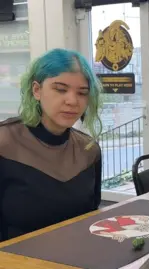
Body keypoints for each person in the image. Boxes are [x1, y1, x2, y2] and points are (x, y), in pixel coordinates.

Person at [0, 48, 103, 242]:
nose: (72, 101)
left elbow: (91, 216)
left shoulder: (89, 150)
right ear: (36, 90)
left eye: (82, 93)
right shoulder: (5, 143)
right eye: (60, 89)